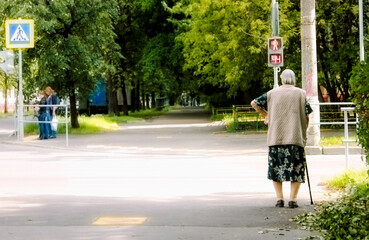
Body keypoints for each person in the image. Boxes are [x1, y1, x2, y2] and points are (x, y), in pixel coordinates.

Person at [251, 69, 313, 208]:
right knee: (296, 169)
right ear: (294, 79)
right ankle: (293, 200)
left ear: (282, 79)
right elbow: (307, 115)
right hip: (295, 137)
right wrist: (304, 131)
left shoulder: (272, 93)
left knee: (276, 169)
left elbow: (254, 102)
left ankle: (279, 199)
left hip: (276, 137)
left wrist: (267, 114)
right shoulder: (301, 93)